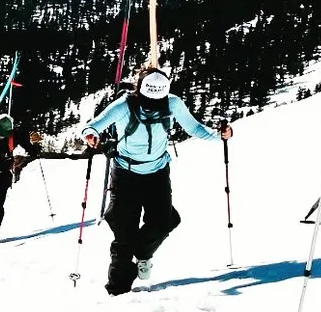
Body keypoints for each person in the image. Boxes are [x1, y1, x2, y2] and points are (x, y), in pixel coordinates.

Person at [78, 68, 227, 294]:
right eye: (149, 100)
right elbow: (93, 125)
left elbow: (194, 127)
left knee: (164, 221)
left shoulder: (173, 103)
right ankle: (117, 290)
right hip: (126, 174)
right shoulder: (124, 105)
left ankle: (142, 253)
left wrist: (220, 135)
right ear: (141, 92)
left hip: (157, 173)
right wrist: (90, 135)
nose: (154, 106)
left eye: (159, 101)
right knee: (123, 230)